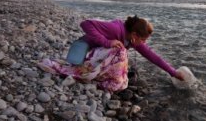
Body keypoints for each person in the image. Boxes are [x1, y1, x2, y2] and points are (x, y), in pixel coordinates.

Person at [38, 16, 184, 92]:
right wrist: (107, 42)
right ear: (134, 34)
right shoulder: (116, 29)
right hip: (85, 51)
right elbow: (85, 24)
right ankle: (84, 73)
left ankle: (97, 76)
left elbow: (152, 56)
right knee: (120, 51)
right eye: (143, 39)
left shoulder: (132, 40)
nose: (143, 43)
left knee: (121, 58)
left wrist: (172, 72)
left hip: (97, 55)